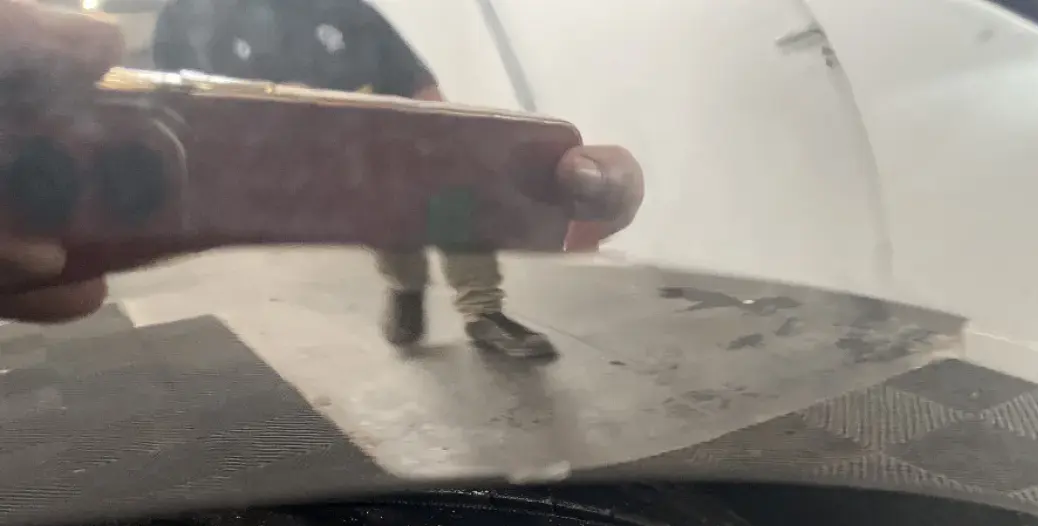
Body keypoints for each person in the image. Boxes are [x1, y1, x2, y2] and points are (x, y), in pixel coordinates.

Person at [0, 0, 644, 331]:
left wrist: (465, 165)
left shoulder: (342, 8)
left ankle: (452, 307)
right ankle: (410, 299)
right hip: (247, 238)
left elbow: (424, 96)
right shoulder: (184, 18)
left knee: (416, 237)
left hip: (376, 188)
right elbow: (168, 126)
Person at [205, 0, 590, 359]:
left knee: (456, 194)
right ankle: (406, 286)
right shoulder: (227, 23)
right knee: (385, 218)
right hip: (314, 147)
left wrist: (446, 130)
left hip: (390, 127)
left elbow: (412, 75)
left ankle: (484, 312)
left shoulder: (348, 10)